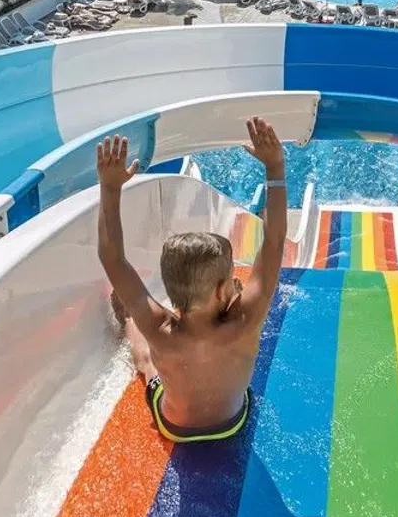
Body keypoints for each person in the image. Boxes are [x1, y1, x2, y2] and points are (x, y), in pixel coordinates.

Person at [95, 119, 287, 442]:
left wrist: (110, 188)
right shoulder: (246, 319)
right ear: (220, 290)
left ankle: (128, 316)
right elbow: (275, 240)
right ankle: (139, 311)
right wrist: (275, 168)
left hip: (175, 428)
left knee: (147, 360)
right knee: (240, 299)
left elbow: (112, 258)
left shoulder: (160, 327)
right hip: (233, 422)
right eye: (230, 278)